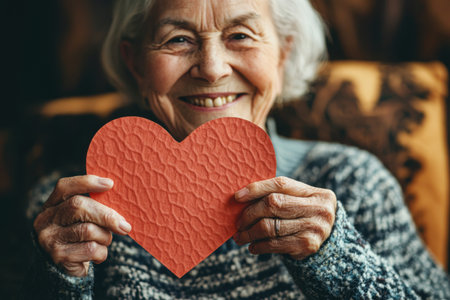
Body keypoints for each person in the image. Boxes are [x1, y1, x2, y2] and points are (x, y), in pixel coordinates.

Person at [25, 0, 450, 299]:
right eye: (177, 39)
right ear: (135, 62)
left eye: (241, 35)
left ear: (282, 56)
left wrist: (336, 258)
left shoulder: (354, 182)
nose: (212, 68)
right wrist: (62, 281)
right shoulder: (65, 211)